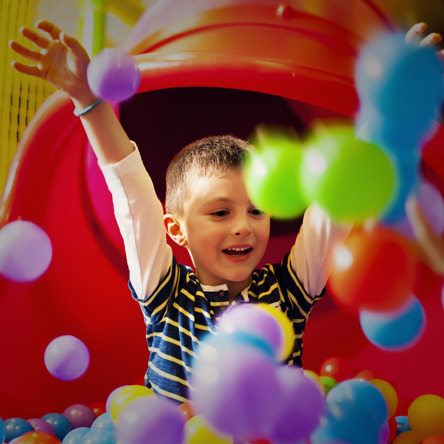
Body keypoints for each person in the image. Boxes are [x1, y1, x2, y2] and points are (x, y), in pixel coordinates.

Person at [9, 20, 442, 404]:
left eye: (257, 211)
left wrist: (390, 107)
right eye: (220, 213)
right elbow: (133, 196)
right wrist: (87, 98)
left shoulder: (289, 290)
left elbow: (331, 208)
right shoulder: (166, 295)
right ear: (175, 230)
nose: (243, 227)